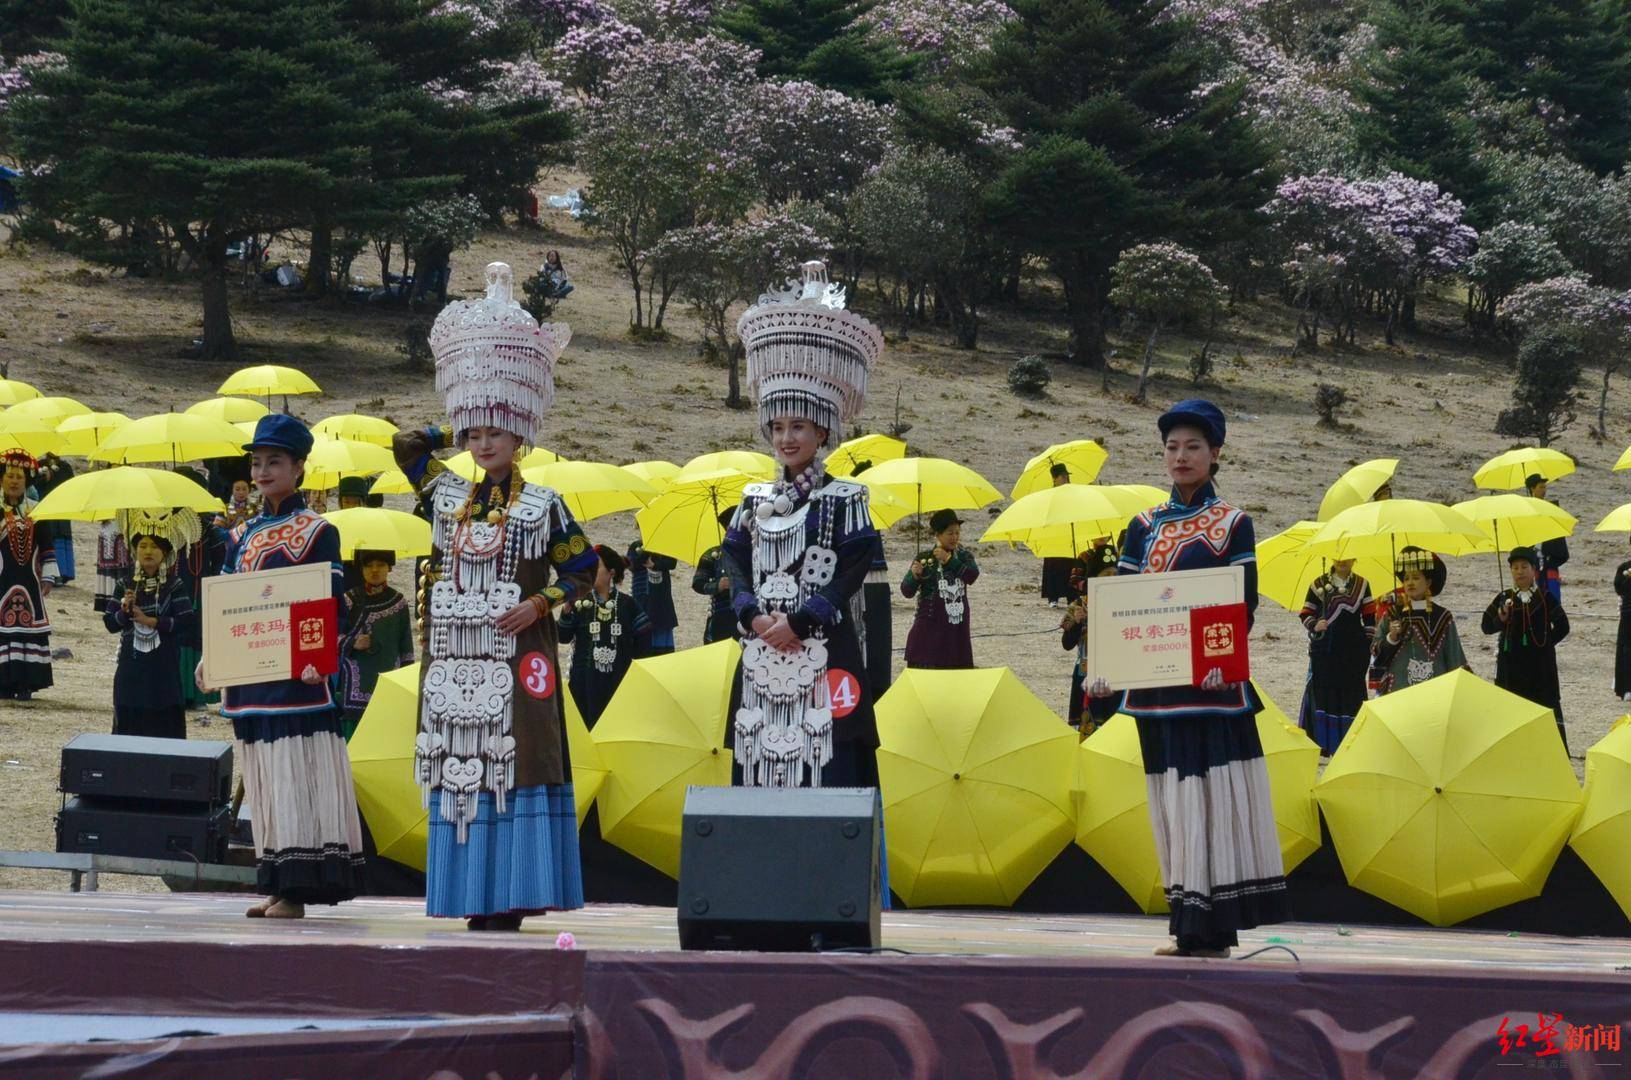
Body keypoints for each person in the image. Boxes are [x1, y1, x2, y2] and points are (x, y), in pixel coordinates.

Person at [395, 261, 596, 932]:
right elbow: (403, 446)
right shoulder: (445, 494)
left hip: (518, 659)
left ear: (521, 435)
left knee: (520, 760)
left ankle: (513, 893)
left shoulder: (544, 504)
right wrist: (462, 401)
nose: (483, 444)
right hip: (454, 663)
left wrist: (539, 606)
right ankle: (468, 893)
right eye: (474, 433)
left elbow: (586, 574)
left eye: (496, 431)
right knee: (459, 762)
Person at [1089, 399, 1287, 959]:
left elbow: (1240, 603)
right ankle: (1187, 925)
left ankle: (1214, 927)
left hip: (1210, 687)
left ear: (1216, 454)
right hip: (1155, 691)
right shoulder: (1142, 526)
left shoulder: (1234, 524)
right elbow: (1121, 609)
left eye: (1193, 446)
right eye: (1172, 447)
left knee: (1209, 799)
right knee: (1172, 802)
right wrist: (1107, 668)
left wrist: (1221, 658)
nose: (1180, 456)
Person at [195, 414, 365, 919]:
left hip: (297, 677)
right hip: (252, 675)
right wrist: (213, 657)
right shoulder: (242, 534)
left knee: (296, 771)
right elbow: (225, 605)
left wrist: (318, 658)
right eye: (257, 462)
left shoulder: (317, 531)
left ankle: (298, 889)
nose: (263, 471)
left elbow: (327, 601)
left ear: (299, 468)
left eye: (274, 461)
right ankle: (275, 879)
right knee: (265, 776)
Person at [723, 260, 885, 789]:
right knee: (759, 756)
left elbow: (852, 571)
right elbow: (736, 561)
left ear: (822, 431)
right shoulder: (754, 498)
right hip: (761, 646)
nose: (786, 438)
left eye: (799, 426)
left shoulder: (846, 499)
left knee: (830, 762)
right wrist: (751, 613)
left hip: (825, 648)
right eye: (778, 426)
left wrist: (803, 619)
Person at [105, 512, 198, 739]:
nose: (148, 551)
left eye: (154, 546)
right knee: (129, 717)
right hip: (131, 663)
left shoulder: (174, 585)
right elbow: (109, 623)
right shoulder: (124, 584)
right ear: (134, 550)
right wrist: (124, 611)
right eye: (143, 546)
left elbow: (187, 622)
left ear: (165, 552)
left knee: (164, 723)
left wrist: (152, 622)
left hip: (164, 666)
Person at [1482, 546, 1570, 750]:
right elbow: (1486, 626)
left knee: (1543, 710)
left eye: (1524, 567)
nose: (1519, 571)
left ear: (1534, 570)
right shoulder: (1504, 598)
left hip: (1541, 669)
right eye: (1515, 567)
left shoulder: (1545, 598)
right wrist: (1500, 620)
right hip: (1510, 668)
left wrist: (1545, 645)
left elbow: (1563, 626)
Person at [559, 545, 650, 728]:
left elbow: (644, 644)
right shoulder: (580, 603)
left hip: (619, 683)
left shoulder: (628, 605)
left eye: (596, 567)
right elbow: (562, 636)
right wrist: (566, 612)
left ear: (611, 573)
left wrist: (635, 677)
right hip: (583, 682)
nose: (590, 573)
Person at [334, 549, 415, 741]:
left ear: (390, 568)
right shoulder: (350, 600)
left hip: (387, 684)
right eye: (368, 566)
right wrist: (353, 642)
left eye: (380, 565)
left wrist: (407, 685)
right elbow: (330, 638)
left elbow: (406, 651)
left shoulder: (399, 602)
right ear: (361, 570)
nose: (374, 570)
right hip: (354, 692)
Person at [1297, 558, 1375, 755]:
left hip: (1352, 652)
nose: (1342, 561)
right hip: (1325, 651)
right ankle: (1323, 744)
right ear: (1332, 558)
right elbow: (1305, 613)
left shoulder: (1363, 585)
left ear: (1354, 559)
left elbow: (1369, 620)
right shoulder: (1318, 584)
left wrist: (1366, 645)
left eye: (1347, 557)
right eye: (1339, 556)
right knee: (1324, 692)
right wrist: (1315, 625)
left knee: (1351, 692)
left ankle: (1350, 744)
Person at [1369, 547, 1469, 694]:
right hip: (1397, 692)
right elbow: (1376, 655)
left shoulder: (1442, 617)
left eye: (1416, 577)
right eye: (1406, 578)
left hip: (1435, 692)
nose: (1410, 583)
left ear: (1428, 582)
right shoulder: (1392, 614)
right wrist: (1391, 638)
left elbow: (1455, 659)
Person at [172, 467, 228, 714]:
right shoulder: (164, 526)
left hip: (200, 595)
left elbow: (222, 561)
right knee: (174, 638)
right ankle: (175, 691)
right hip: (171, 593)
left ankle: (197, 694)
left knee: (197, 639)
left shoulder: (207, 530)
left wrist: (213, 587)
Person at [0, 451, 55, 700]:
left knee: (28, 626)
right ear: (1, 480)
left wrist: (49, 576)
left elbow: (47, 544)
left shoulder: (36, 510)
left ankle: (26, 683)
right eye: (9, 476)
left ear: (26, 481)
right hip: (2, 578)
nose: (14, 481)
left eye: (19, 477)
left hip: (30, 580)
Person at [901, 508, 979, 669]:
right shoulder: (924, 559)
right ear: (938, 534)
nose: (955, 537)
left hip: (955, 625)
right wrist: (914, 576)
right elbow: (906, 591)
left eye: (957, 533)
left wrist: (949, 560)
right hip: (929, 624)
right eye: (950, 533)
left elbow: (971, 576)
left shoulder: (964, 556)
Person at [1062, 543, 1120, 736]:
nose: (1111, 579)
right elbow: (1067, 644)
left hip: (1117, 674)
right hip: (1086, 674)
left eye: (1114, 574)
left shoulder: (1125, 603)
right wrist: (1077, 623)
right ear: (1095, 578)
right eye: (1106, 575)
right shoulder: (1079, 605)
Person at [693, 507, 740, 646]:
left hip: (750, 618)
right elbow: (697, 583)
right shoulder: (713, 555)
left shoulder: (756, 554)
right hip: (721, 619)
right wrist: (718, 585)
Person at [625, 539, 678, 655]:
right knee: (642, 624)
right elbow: (631, 564)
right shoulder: (636, 546)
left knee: (662, 624)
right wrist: (645, 552)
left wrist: (655, 565)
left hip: (661, 597)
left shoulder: (664, 546)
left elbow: (672, 563)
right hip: (641, 595)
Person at [1525, 474, 1569, 603]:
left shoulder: (1551, 509)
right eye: (1541, 487)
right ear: (1532, 489)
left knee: (1553, 593)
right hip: (1534, 558)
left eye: (1545, 487)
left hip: (1550, 559)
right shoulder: (1525, 510)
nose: (1544, 490)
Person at [34, 452, 74, 585]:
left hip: (61, 507)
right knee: (49, 538)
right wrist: (44, 478)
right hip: (45, 506)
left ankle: (64, 574)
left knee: (62, 536)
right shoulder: (39, 465)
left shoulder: (65, 467)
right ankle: (50, 574)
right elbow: (33, 485)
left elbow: (71, 485)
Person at [1039, 463, 1075, 606]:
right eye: (1063, 476)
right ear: (1055, 479)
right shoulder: (1049, 496)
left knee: (1070, 566)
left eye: (1067, 476)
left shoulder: (1073, 492)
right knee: (1053, 566)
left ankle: (1071, 596)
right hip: (1054, 534)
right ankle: (1053, 597)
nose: (1066, 478)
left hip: (1068, 533)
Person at [94, 517, 131, 614]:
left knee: (121, 564)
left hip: (122, 525)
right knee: (113, 564)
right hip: (111, 524)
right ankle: (112, 603)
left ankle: (118, 601)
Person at [1616, 541, 1631, 702]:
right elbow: (1618, 589)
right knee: (1627, 649)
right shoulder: (1624, 568)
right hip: (1629, 614)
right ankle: (1627, 687)